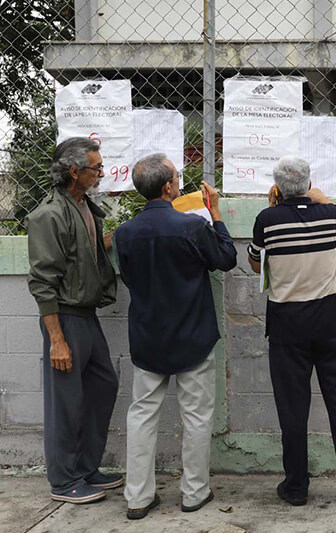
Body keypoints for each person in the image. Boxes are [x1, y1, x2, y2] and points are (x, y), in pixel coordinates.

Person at [114, 154, 237, 520]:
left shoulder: (124, 233)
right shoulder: (190, 227)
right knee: (196, 416)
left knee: (141, 415)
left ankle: (137, 496)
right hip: (192, 336)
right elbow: (226, 259)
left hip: (148, 336)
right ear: (168, 186)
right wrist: (215, 213)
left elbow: (130, 278)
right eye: (176, 178)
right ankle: (194, 492)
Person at [247, 156, 336, 507]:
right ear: (308, 183)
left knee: (292, 407)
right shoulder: (331, 216)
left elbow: (255, 261)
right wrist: (323, 199)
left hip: (287, 324)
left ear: (276, 188)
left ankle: (297, 486)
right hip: (330, 320)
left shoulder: (266, 220)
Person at [27, 137, 121, 504]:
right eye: (95, 168)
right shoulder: (49, 215)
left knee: (103, 386)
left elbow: (92, 250)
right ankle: (64, 481)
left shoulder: (83, 207)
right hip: (64, 318)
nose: (100, 173)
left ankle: (85, 468)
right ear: (73, 171)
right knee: (65, 402)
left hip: (87, 315)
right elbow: (42, 281)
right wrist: (57, 339)